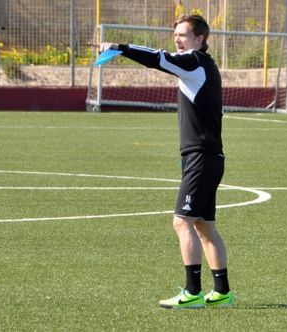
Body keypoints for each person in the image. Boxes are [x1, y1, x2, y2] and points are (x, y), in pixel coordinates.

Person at [100, 14, 233, 309]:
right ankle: (221, 291)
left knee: (181, 222)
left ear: (200, 38)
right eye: (176, 35)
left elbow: (158, 58)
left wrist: (121, 47)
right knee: (204, 227)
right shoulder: (200, 65)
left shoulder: (195, 61)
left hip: (201, 156)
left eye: (183, 35)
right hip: (206, 156)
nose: (177, 39)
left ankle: (192, 292)